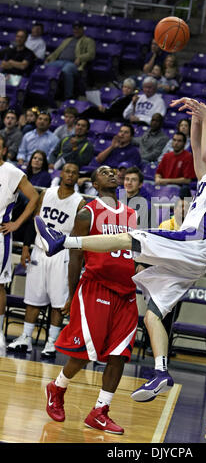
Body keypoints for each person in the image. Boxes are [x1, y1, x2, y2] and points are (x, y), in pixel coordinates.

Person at [35, 98, 206, 403]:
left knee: (129, 238)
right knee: (152, 315)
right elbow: (198, 152)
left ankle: (62, 242)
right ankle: (162, 371)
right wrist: (196, 121)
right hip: (189, 257)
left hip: (193, 245)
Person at [40, 165, 137, 433]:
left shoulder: (132, 214)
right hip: (96, 287)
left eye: (113, 171)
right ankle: (57, 387)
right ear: (94, 183)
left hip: (126, 293)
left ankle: (100, 411)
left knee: (120, 354)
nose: (112, 174)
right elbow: (75, 257)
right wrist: (71, 296)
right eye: (105, 172)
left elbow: (135, 253)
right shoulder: (87, 213)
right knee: (84, 353)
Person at [7, 163, 85, 357]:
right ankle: (26, 337)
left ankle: (52, 342)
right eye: (67, 171)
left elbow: (79, 235)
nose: (70, 174)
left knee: (58, 302)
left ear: (77, 177)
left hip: (62, 254)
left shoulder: (80, 202)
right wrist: (26, 247)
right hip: (39, 252)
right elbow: (34, 221)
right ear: (61, 173)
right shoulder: (46, 194)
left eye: (74, 172)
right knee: (33, 298)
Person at [0, 135, 39, 348]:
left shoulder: (13, 172)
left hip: (1, 235)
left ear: (4, 149)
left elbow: (34, 197)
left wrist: (16, 223)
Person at [45, 21, 96, 99]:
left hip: (73, 64)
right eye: (75, 29)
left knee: (66, 70)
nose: (76, 31)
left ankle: (68, 96)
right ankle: (47, 92)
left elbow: (91, 54)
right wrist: (48, 59)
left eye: (78, 29)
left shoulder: (89, 40)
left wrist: (80, 58)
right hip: (59, 62)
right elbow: (57, 51)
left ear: (83, 29)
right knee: (44, 67)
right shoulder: (68, 40)